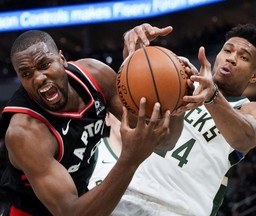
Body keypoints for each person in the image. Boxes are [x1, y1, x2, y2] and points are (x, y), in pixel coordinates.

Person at [0, 24, 200, 216]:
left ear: (62, 59)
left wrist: (176, 102)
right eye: (26, 74)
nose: (38, 78)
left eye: (44, 65)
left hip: (83, 198)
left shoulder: (96, 76)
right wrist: (130, 159)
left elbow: (164, 142)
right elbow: (72, 212)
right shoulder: (24, 133)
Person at [90, 23, 256, 216]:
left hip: (182, 209)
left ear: (254, 76)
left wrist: (212, 96)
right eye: (227, 50)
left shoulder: (252, 111)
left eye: (243, 57)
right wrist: (134, 48)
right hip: (130, 194)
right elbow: (134, 100)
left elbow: (246, 137)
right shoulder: (179, 80)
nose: (232, 58)